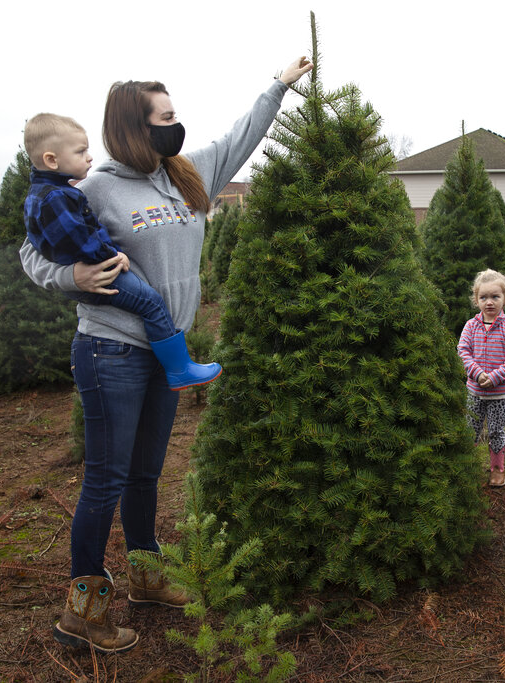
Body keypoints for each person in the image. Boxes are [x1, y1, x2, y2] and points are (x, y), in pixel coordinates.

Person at [19, 56, 313, 653]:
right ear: (134, 126)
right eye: (166, 117)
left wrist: (278, 86)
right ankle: (83, 609)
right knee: (106, 479)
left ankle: (146, 576)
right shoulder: (95, 185)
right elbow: (31, 253)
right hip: (112, 349)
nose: (176, 126)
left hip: (165, 352)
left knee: (147, 473)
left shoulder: (186, 173)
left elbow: (241, 136)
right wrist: (73, 275)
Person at [22, 113, 221, 391]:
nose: (89, 157)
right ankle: (178, 368)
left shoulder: (57, 192)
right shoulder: (57, 198)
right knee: (151, 302)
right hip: (104, 271)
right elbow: (79, 240)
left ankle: (176, 366)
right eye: (80, 152)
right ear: (51, 160)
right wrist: (110, 256)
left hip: (100, 267)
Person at [457, 269, 505, 488]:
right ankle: (467, 466)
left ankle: (497, 470)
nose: (489, 302)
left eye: (495, 297)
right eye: (483, 297)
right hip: (475, 392)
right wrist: (476, 373)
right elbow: (463, 351)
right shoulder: (471, 326)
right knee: (471, 429)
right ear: (476, 300)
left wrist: (494, 377)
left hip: (499, 393)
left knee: (496, 430)